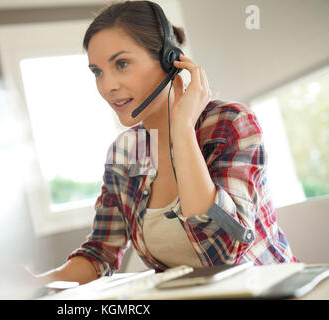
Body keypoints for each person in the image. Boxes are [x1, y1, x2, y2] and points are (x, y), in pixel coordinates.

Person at [28, 0, 299, 291]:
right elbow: (99, 253)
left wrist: (181, 131)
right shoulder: (125, 151)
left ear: (170, 60)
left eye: (121, 64)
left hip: (271, 292)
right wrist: (36, 284)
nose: (107, 86)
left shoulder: (231, 123)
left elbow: (226, 251)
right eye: (98, 72)